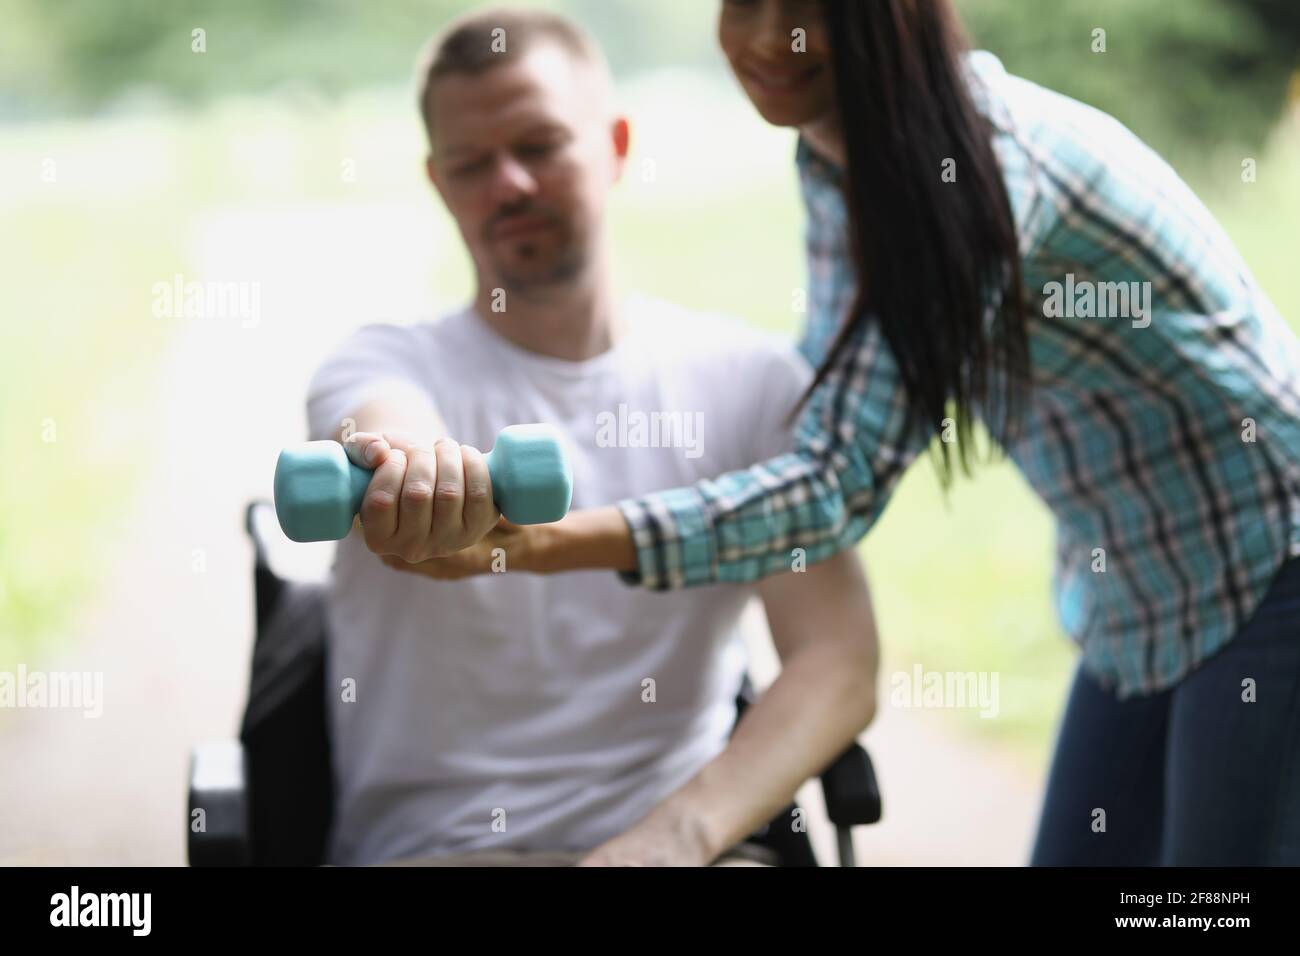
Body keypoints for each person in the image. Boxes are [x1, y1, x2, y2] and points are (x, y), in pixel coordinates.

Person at [406, 0, 1300, 866]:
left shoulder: (976, 165)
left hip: (1271, 558)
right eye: (743, 0)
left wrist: (544, 545)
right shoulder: (839, 156)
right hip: (1143, 593)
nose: (765, 38)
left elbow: (833, 483)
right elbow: (829, 410)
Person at [306, 6, 878, 867]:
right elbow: (383, 426)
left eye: (538, 146)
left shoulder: (752, 382)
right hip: (439, 850)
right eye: (472, 163)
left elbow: (838, 655)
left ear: (614, 144)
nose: (510, 184)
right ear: (438, 182)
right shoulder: (381, 362)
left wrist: (673, 839)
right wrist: (414, 469)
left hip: (685, 849)